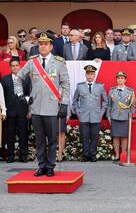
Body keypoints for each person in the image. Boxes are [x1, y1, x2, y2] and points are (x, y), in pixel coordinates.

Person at [16, 31, 70, 177]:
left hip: (52, 108)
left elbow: (66, 84)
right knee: (39, 140)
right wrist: (22, 96)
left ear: (51, 46)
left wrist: (64, 104)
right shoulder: (32, 61)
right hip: (36, 107)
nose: (43, 47)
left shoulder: (59, 62)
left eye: (46, 44)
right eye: (40, 44)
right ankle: (41, 165)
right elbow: (18, 78)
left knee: (52, 139)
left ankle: (51, 166)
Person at [72, 65, 108, 162]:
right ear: (85, 75)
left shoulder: (100, 86)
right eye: (88, 74)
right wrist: (78, 112)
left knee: (94, 136)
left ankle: (92, 155)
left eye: (92, 74)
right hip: (83, 116)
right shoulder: (80, 86)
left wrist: (101, 113)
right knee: (84, 136)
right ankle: (85, 155)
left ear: (94, 75)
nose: (90, 76)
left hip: (96, 116)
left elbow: (105, 101)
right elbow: (74, 101)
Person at [1, 56, 31, 163]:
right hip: (10, 112)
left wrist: (29, 110)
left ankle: (23, 156)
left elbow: (29, 95)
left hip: (23, 111)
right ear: (10, 67)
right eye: (12, 66)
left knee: (23, 135)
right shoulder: (4, 79)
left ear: (20, 66)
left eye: (16, 65)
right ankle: (10, 156)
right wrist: (3, 110)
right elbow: (2, 96)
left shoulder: (26, 78)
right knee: (10, 135)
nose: (14, 67)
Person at [107, 71, 136, 163]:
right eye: (118, 78)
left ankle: (123, 155)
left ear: (125, 79)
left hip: (125, 116)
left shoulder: (130, 91)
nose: (120, 80)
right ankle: (117, 155)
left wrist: (131, 115)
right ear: (116, 79)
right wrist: (108, 115)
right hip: (114, 116)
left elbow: (133, 105)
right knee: (115, 136)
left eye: (122, 78)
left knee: (124, 137)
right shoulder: (112, 91)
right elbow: (109, 105)